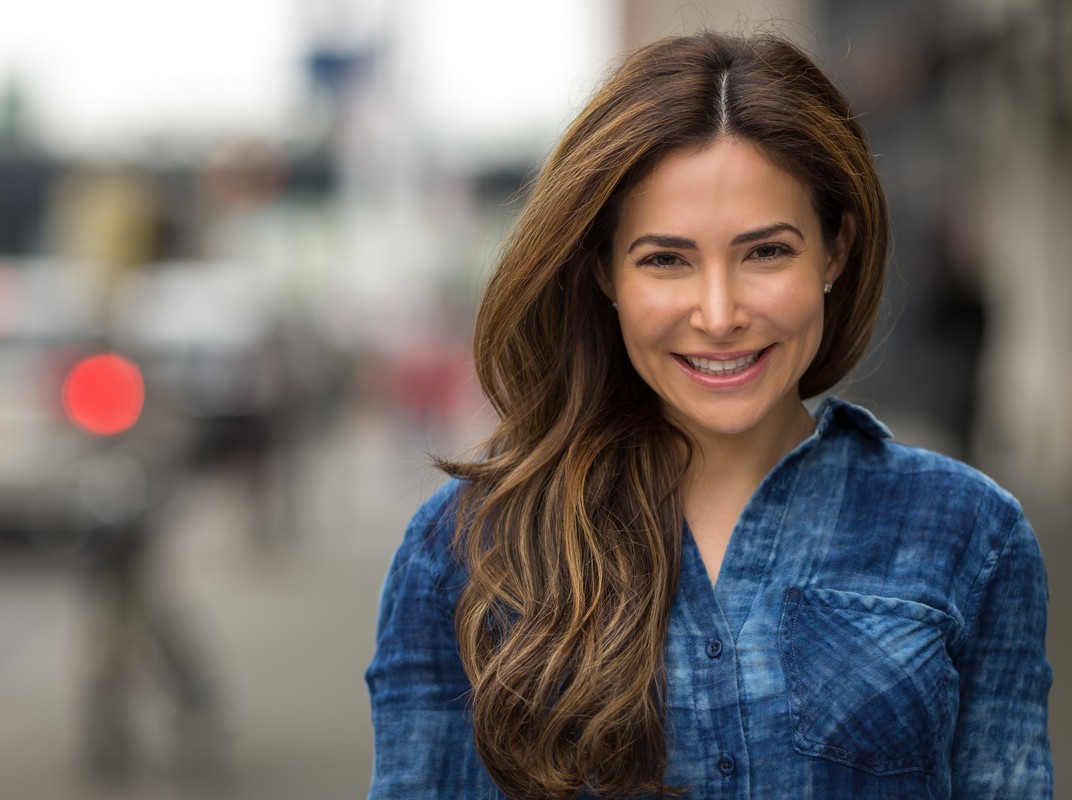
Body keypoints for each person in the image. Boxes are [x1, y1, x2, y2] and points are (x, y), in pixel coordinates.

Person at [365, 31, 1052, 799]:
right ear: (603, 272)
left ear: (835, 251)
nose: (719, 314)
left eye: (766, 253)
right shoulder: (461, 550)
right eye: (666, 259)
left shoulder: (970, 533)